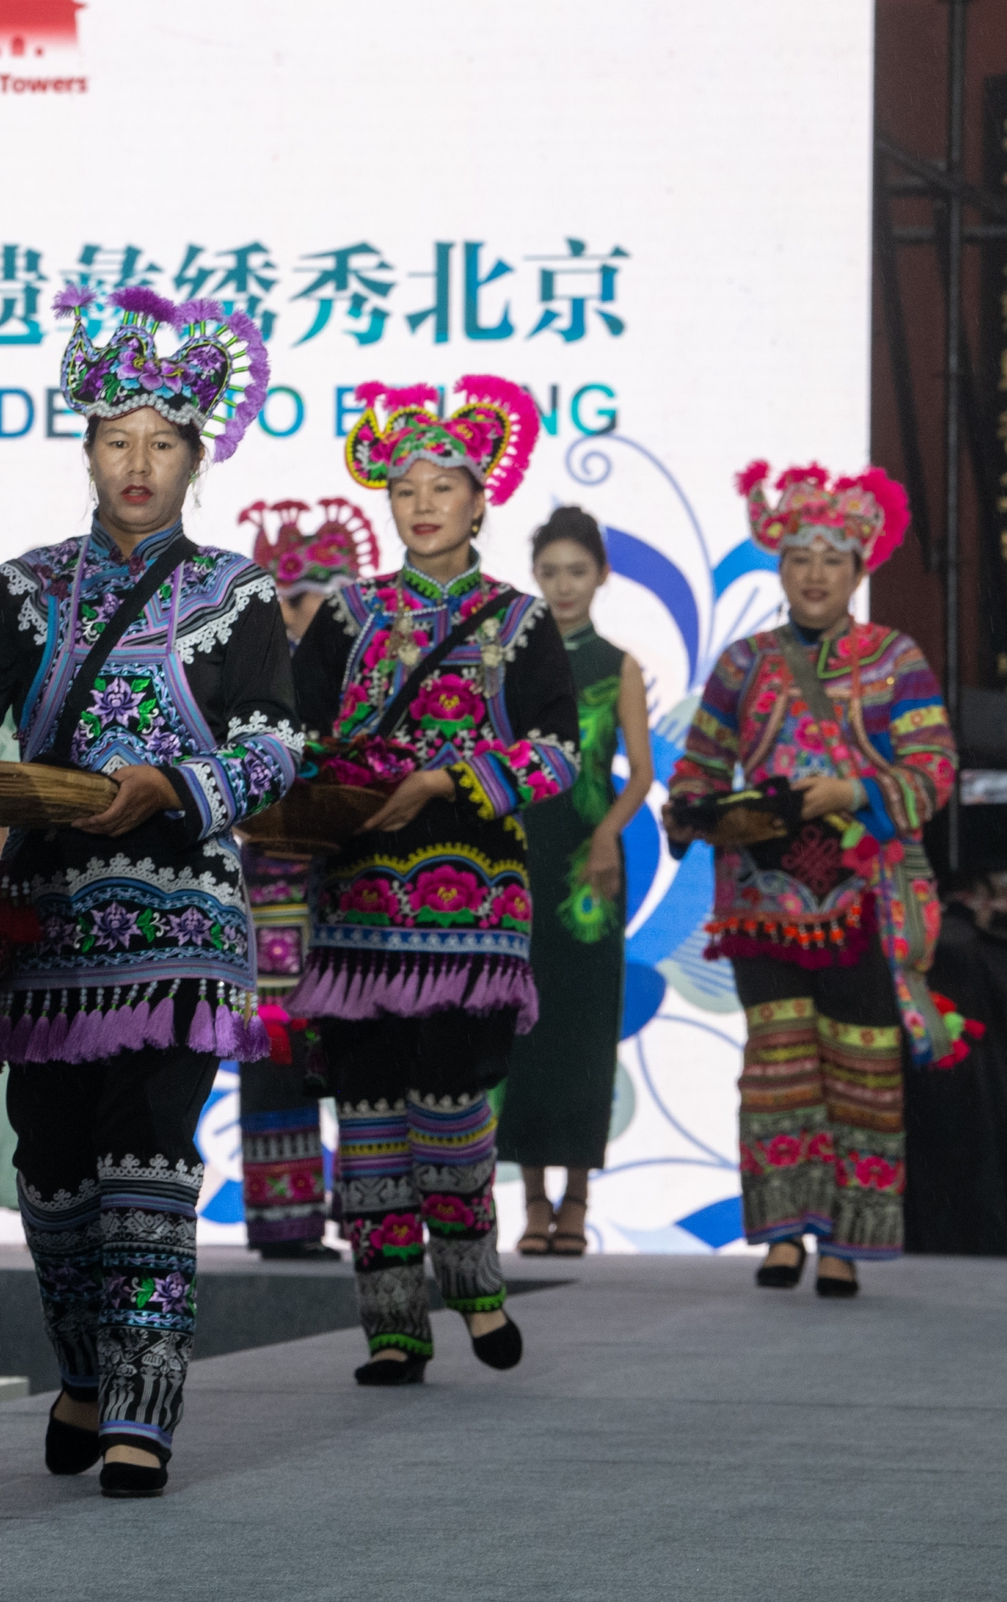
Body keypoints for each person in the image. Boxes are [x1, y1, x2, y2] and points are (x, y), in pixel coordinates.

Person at [0, 284, 298, 1498]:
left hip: (182, 920)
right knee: (52, 1178)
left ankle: (141, 1413)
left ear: (195, 456)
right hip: (48, 923)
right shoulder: (18, 588)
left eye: (160, 442)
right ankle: (88, 1368)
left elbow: (271, 749)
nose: (136, 462)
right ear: (85, 447)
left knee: (149, 1163)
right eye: (115, 439)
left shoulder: (237, 595)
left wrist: (169, 782)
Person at [290, 378, 579, 1386]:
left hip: (474, 913)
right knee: (366, 1119)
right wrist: (326, 780)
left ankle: (475, 1278)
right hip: (359, 908)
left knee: (451, 1109)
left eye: (442, 484)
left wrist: (448, 777)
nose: (421, 501)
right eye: (404, 485)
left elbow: (556, 754)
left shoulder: (520, 621)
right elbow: (297, 739)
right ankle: (391, 1323)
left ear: (478, 500)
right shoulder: (344, 615)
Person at [666, 463, 956, 1294]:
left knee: (860, 1062)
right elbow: (702, 763)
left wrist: (854, 791)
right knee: (776, 1064)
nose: (816, 573)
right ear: (779, 566)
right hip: (762, 902)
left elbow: (934, 769)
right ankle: (784, 1233)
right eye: (799, 557)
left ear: (859, 569)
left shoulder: (893, 659)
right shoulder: (742, 664)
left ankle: (846, 1241)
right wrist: (689, 811)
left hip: (862, 900)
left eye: (833, 558)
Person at [499, 507, 653, 1256]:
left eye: (577, 572)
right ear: (535, 577)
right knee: (522, 1025)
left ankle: (579, 1203)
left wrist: (605, 835)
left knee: (584, 1029)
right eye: (550, 572)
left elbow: (641, 775)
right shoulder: (512, 656)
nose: (563, 586)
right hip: (517, 858)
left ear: (601, 577)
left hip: (588, 871)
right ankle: (531, 1204)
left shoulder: (617, 663)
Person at [231, 498, 380, 1261]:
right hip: (272, 884)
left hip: (358, 882)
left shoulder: (377, 664)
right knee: (277, 1048)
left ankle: (372, 1214)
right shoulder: (252, 665)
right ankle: (284, 1220)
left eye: (330, 592)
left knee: (361, 1046)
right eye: (295, 596)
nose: (313, 609)